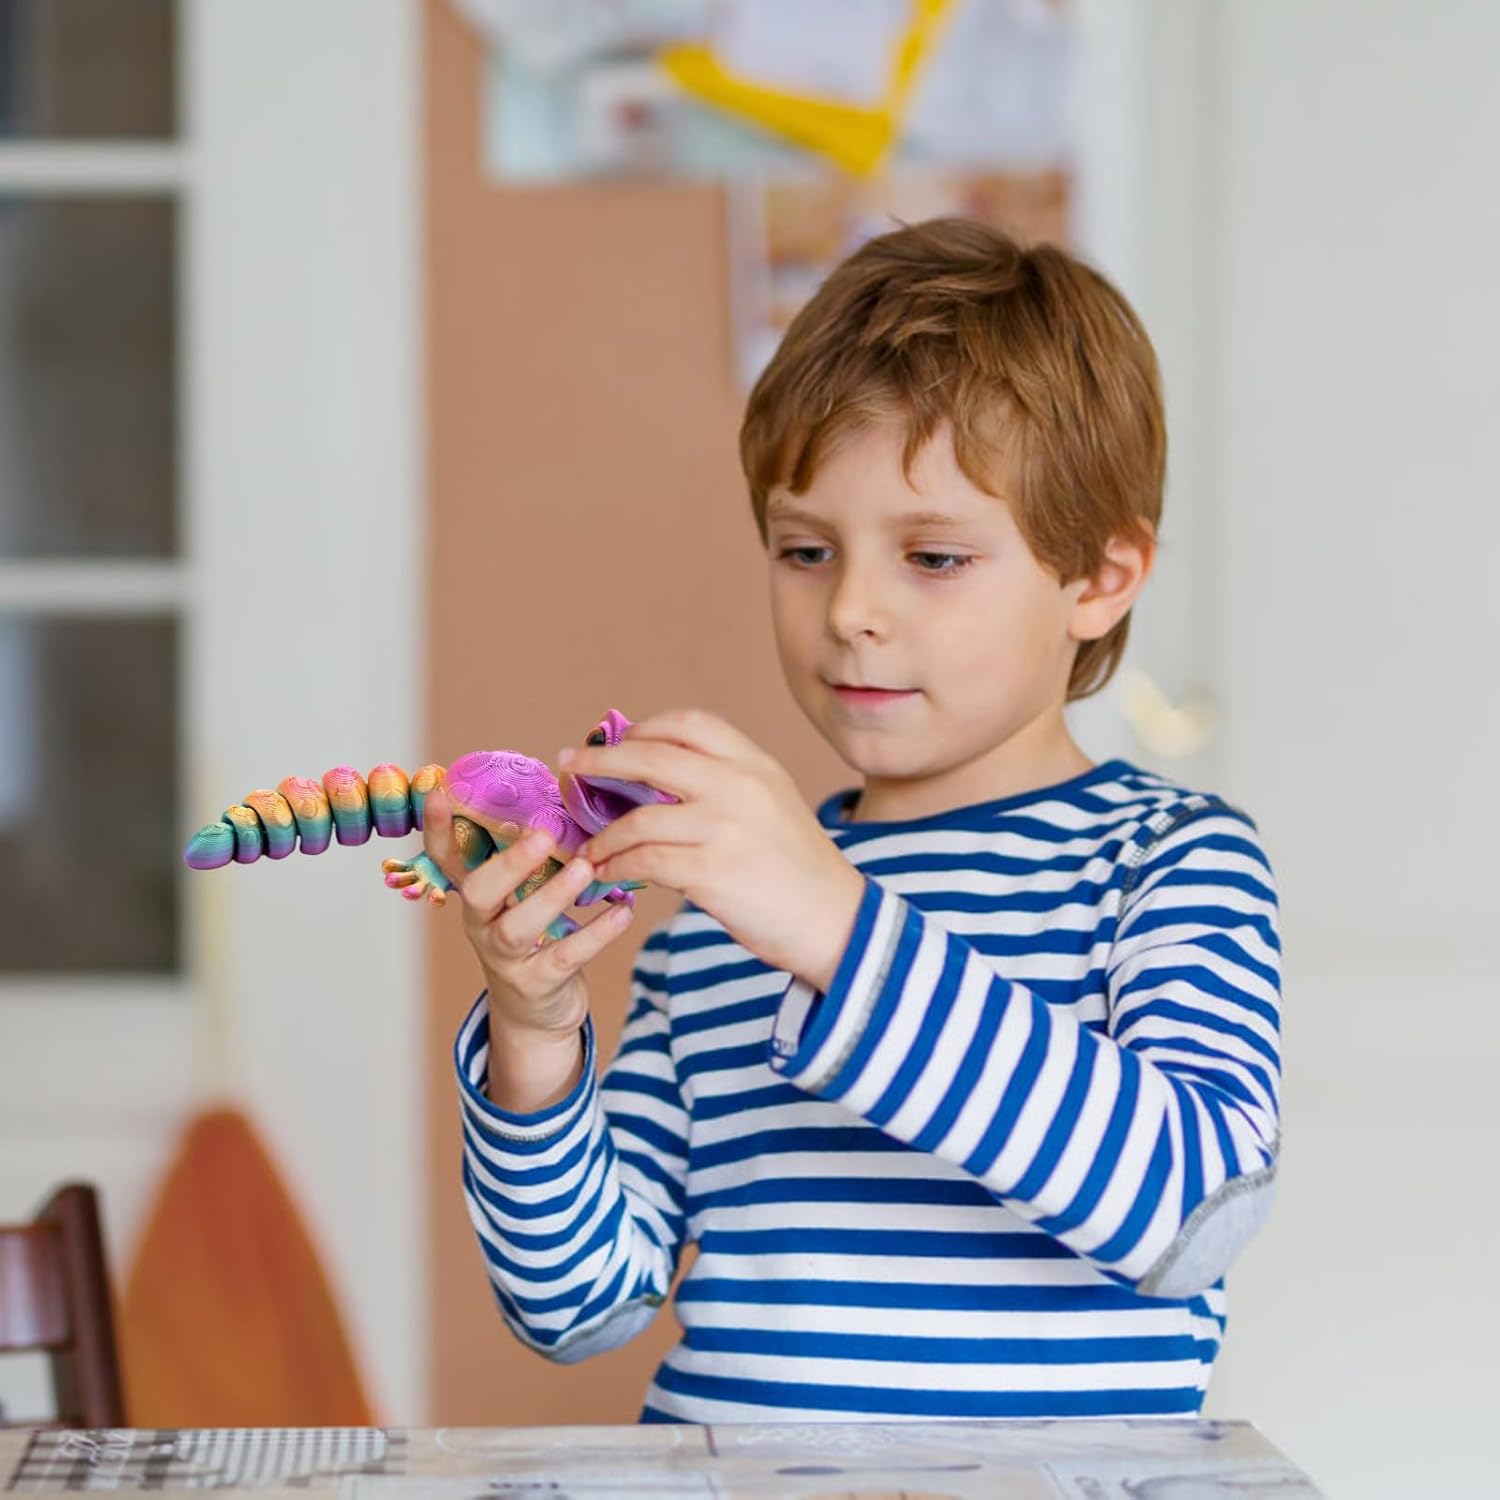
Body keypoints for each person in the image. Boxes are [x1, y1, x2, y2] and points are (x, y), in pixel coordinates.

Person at [420, 217, 1281, 1423]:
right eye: (805, 549)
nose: (850, 611)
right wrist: (537, 1030)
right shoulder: (717, 916)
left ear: (1099, 579)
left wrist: (836, 925)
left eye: (933, 558)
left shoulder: (1170, 864)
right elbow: (577, 1307)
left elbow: (1189, 1214)